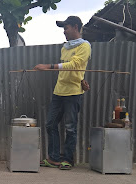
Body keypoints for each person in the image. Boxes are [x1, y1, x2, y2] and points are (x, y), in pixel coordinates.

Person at [34, 16, 91, 170]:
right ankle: (53, 158)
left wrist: (49, 66)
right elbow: (69, 69)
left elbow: (74, 65)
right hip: (59, 91)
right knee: (50, 124)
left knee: (70, 127)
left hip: (73, 92)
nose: (64, 32)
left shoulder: (85, 46)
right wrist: (81, 79)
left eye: (66, 28)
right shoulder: (65, 48)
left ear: (76, 27)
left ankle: (67, 160)